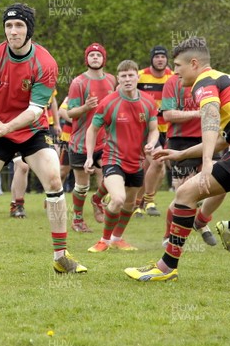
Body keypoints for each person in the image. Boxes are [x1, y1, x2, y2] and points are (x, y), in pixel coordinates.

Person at [0, 3, 87, 274]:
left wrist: (7, 127)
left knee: (55, 179)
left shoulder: (45, 62)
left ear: (29, 29)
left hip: (31, 130)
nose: (13, 31)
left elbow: (36, 111)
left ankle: (61, 256)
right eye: (9, 26)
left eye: (19, 25)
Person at [125, 37, 230, 281]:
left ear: (194, 63)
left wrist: (206, 166)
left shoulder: (204, 80)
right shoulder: (229, 80)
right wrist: (181, 154)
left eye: (178, 66)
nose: (175, 72)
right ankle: (229, 226)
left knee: (185, 195)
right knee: (186, 195)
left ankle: (166, 267)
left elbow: (210, 116)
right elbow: (225, 138)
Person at [84, 60, 158, 252]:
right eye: (123, 76)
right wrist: (90, 156)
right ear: (118, 78)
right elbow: (92, 130)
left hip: (137, 160)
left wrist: (151, 142)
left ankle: (117, 238)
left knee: (130, 204)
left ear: (137, 77)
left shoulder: (149, 102)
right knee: (117, 199)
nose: (127, 79)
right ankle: (104, 240)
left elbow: (154, 129)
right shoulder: (109, 103)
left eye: (130, 75)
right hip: (113, 158)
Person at [161, 75, 220, 246]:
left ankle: (201, 221)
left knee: (221, 181)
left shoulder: (212, 81)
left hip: (209, 137)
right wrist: (198, 113)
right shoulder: (173, 82)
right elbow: (168, 115)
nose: (178, 68)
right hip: (181, 140)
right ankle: (168, 235)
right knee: (184, 194)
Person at [67, 43, 116, 232]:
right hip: (81, 142)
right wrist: (85, 108)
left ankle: (98, 200)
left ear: (104, 59)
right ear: (86, 59)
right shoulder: (78, 83)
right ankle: (78, 220)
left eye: (98, 55)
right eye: (91, 55)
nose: (95, 58)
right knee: (82, 185)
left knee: (110, 176)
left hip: (106, 140)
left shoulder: (112, 80)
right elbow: (71, 113)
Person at [133, 46, 174, 218]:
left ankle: (139, 203)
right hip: (146, 129)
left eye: (163, 57)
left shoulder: (173, 77)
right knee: (157, 164)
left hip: (168, 129)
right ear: (152, 59)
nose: (160, 59)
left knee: (150, 167)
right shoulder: (140, 75)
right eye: (156, 56)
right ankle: (148, 201)